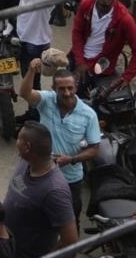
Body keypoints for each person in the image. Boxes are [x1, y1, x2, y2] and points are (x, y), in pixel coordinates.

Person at [17, 60, 100, 218]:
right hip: (40, 170)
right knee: (36, 212)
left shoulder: (89, 115)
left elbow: (94, 149)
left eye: (70, 88)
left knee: (70, 216)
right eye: (62, 89)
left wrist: (71, 159)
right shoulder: (47, 100)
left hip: (71, 178)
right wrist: (31, 70)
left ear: (76, 87)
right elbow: (24, 93)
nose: (67, 92)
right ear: (53, 89)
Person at [2, 122, 77, 258]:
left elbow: (70, 242)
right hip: (6, 247)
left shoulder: (55, 191)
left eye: (18, 139)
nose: (16, 142)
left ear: (27, 147)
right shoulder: (27, 161)